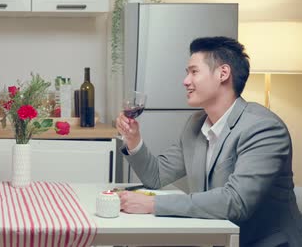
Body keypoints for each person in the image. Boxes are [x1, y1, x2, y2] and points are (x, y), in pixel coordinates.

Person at [116, 36, 302, 246]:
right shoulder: (195, 124)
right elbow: (157, 177)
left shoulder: (263, 128)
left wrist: (153, 203)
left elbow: (236, 202)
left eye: (194, 72)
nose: (185, 81)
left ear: (223, 73)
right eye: (187, 73)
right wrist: (133, 140)